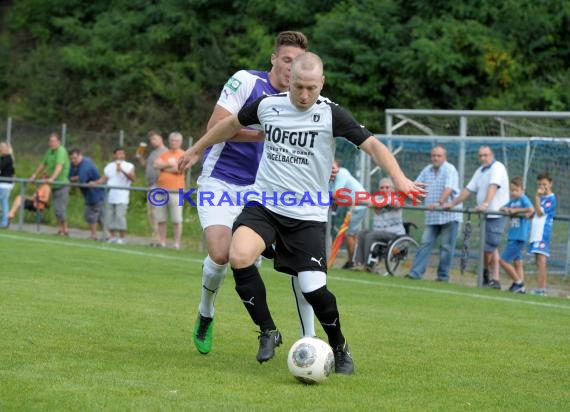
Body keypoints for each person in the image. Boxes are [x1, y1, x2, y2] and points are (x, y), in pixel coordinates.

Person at [178, 52, 425, 374]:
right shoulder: (268, 105)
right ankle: (268, 331)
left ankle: (339, 346)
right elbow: (228, 125)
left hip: (306, 215)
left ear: (321, 83)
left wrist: (400, 178)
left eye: (311, 87)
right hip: (264, 205)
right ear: (289, 81)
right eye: (298, 87)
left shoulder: (331, 114)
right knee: (238, 256)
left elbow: (374, 145)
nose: (304, 95)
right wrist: (196, 149)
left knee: (313, 289)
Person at [189, 31, 315, 356]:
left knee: (244, 259)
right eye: (286, 60)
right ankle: (206, 313)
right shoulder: (246, 81)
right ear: (274, 58)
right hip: (221, 181)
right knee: (220, 254)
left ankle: (292, 334)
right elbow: (217, 124)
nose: (291, 67)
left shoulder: (300, 102)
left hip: (263, 192)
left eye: (298, 62)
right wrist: (265, 134)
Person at [444, 145, 509, 289]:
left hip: (496, 214)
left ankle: (486, 273)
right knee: (491, 247)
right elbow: (468, 189)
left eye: (485, 155)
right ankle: (494, 279)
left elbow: (493, 186)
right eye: (480, 155)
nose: (483, 158)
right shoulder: (480, 171)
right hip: (485, 215)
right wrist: (453, 203)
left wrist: (485, 204)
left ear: (492, 155)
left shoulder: (498, 167)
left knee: (490, 246)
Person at [406, 145, 462, 281]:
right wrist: (401, 195)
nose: (435, 158)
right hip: (432, 216)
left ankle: (443, 277)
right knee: (425, 243)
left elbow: (449, 188)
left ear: (445, 157)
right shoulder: (427, 170)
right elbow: (416, 186)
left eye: (439, 156)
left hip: (449, 215)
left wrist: (438, 203)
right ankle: (415, 273)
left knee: (446, 247)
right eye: (433, 155)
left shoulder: (450, 169)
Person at [352, 178, 406, 271]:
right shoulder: (377, 198)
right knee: (362, 233)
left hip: (394, 234)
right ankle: (359, 262)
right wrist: (373, 203)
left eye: (387, 187)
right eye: (381, 188)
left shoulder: (397, 198)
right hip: (379, 232)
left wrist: (374, 203)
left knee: (371, 235)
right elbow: (366, 201)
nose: (384, 189)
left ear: (393, 189)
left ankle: (368, 264)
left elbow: (391, 203)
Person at [91, 148, 136, 244]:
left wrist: (122, 170)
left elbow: (133, 178)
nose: (120, 156)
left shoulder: (129, 166)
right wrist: (95, 182)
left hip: (122, 196)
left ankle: (122, 237)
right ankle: (112, 236)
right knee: (109, 217)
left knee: (120, 217)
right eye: (118, 154)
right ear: (114, 155)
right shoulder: (109, 166)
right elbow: (104, 178)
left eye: (122, 154)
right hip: (111, 195)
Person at [329, 158, 368, 269]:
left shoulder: (342, 172)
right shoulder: (331, 177)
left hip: (358, 205)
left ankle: (352, 262)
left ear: (338, 167)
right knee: (351, 234)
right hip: (353, 206)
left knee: (348, 234)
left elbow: (336, 194)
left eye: (333, 167)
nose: (332, 170)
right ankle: (354, 260)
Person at [498, 177, 534, 293]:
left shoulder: (523, 199)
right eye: (512, 190)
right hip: (512, 236)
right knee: (517, 262)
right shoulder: (512, 201)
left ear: (522, 189)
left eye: (516, 190)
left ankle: (518, 282)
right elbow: (502, 207)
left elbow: (531, 209)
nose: (514, 192)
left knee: (502, 260)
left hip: (519, 236)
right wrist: (506, 209)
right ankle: (521, 288)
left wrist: (516, 210)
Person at [30, 133, 70, 235]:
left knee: (60, 209)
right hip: (54, 185)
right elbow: (43, 164)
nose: (52, 143)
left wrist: (52, 178)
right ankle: (61, 229)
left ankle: (65, 230)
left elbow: (59, 166)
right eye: (50, 141)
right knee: (56, 208)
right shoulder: (49, 151)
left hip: (62, 184)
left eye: (54, 141)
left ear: (58, 142)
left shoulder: (61, 150)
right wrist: (34, 175)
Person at [153, 132, 185, 249]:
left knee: (177, 219)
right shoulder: (164, 154)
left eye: (176, 140)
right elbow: (155, 165)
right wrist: (169, 164)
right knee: (161, 218)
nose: (174, 142)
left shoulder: (183, 154)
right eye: (172, 140)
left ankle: (176, 243)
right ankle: (162, 242)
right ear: (169, 141)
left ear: (180, 142)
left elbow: (180, 169)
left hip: (177, 191)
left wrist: (164, 167)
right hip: (161, 190)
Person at [528, 172, 557, 296]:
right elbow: (536, 212)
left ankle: (541, 289)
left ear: (550, 184)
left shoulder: (551, 199)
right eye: (539, 184)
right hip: (536, 233)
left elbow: (540, 213)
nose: (542, 186)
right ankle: (540, 288)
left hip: (542, 234)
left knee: (541, 261)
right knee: (537, 261)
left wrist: (536, 197)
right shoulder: (543, 199)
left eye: (544, 184)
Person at [69, 149, 106, 240]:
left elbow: (82, 179)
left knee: (91, 214)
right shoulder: (74, 165)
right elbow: (69, 176)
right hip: (88, 194)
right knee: (100, 216)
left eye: (75, 158)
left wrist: (76, 178)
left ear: (80, 155)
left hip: (96, 193)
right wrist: (75, 178)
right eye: (71, 159)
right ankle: (108, 235)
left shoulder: (86, 164)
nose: (73, 161)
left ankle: (94, 235)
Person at [137, 131, 167, 245]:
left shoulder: (165, 151)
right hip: (151, 185)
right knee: (151, 213)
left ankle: (158, 239)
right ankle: (155, 238)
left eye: (154, 138)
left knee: (156, 213)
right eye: (150, 140)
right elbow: (146, 165)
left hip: (158, 186)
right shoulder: (153, 152)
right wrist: (140, 157)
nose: (152, 141)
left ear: (160, 138)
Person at [0, 141, 15, 228]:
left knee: (4, 203)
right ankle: (4, 222)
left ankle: (4, 222)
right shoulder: (3, 158)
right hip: (3, 184)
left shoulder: (7, 158)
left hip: (4, 185)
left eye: (2, 146)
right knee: (4, 203)